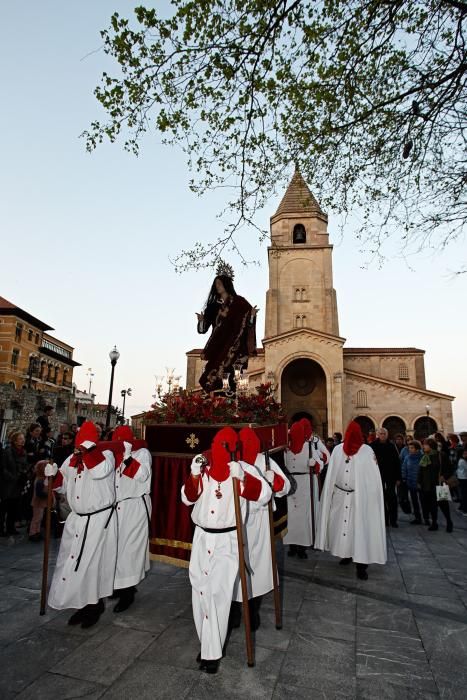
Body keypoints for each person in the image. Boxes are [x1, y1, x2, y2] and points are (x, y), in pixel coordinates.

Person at [181, 427, 269, 674]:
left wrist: (243, 478)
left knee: (217, 594)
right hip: (202, 538)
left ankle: (211, 653)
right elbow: (187, 498)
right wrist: (194, 475)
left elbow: (265, 495)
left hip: (228, 540)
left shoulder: (244, 468)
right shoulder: (203, 466)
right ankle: (207, 643)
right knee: (199, 592)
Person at [47, 421, 117, 628]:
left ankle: (94, 605)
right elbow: (62, 486)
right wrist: (53, 476)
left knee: (92, 565)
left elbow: (99, 471)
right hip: (77, 519)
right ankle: (81, 604)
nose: (77, 448)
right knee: (73, 564)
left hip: (98, 520)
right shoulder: (72, 459)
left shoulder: (106, 456)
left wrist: (88, 451)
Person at [230, 427, 290, 631]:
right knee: (234, 566)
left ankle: (252, 610)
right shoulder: (233, 462)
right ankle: (234, 611)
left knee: (256, 568)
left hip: (259, 522)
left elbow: (285, 488)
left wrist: (274, 479)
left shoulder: (264, 461)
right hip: (234, 521)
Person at [316, 421, 387, 580]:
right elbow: (332, 473)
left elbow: (372, 477)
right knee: (342, 527)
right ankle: (346, 554)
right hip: (341, 496)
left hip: (359, 497)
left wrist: (372, 498)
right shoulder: (337, 450)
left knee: (360, 530)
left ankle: (362, 565)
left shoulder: (367, 451)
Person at [196, 265, 257, 392]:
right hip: (218, 346)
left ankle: (229, 398)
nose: (217, 286)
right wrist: (202, 321)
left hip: (234, 345)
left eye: (219, 283)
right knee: (211, 375)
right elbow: (203, 330)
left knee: (230, 376)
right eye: (215, 284)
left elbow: (248, 323)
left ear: (226, 284)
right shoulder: (213, 307)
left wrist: (251, 316)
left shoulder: (239, 302)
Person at [111, 425, 152, 612]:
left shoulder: (142, 453)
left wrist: (127, 458)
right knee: (115, 549)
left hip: (135, 506)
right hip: (117, 507)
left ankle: (127, 592)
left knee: (129, 551)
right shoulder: (113, 456)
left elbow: (142, 476)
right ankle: (117, 585)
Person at [283, 419, 328, 558]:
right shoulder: (286, 448)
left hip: (305, 483)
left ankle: (302, 546)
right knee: (291, 515)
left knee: (303, 516)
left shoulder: (310, 447)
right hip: (291, 483)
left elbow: (323, 462)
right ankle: (292, 545)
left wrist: (315, 465)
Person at [418, 437, 453, 532]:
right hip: (427, 485)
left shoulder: (441, 455)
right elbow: (421, 470)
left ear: (431, 446)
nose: (423, 446)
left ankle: (449, 522)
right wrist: (419, 482)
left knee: (444, 505)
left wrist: (444, 476)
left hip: (439, 485)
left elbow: (450, 469)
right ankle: (434, 523)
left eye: (425, 444)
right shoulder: (424, 456)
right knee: (432, 506)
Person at [370, 428, 401, 527]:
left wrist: (398, 478)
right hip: (378, 476)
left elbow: (397, 462)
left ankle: (393, 520)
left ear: (387, 435)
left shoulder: (392, 446)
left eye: (384, 434)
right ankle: (384, 520)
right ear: (377, 435)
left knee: (392, 498)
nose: (383, 435)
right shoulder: (372, 446)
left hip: (391, 476)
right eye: (381, 433)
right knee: (381, 498)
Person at [0, 431, 29, 536]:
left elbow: (24, 464)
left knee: (14, 508)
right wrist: (12, 477)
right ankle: (1, 529)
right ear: (15, 440)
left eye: (23, 438)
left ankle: (10, 528)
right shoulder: (7, 451)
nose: (23, 440)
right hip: (8, 485)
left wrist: (25, 472)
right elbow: (3, 468)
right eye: (20, 439)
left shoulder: (23, 452)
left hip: (18, 485)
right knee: (4, 508)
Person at [401, 440, 423, 524]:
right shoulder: (407, 457)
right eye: (409, 448)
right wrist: (404, 478)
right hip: (411, 482)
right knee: (414, 501)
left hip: (420, 483)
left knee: (423, 501)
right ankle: (418, 518)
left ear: (417, 449)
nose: (410, 449)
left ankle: (426, 517)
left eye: (412, 448)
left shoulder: (422, 457)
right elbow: (404, 468)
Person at [29, 460, 50, 542]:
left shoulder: (42, 478)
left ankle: (37, 532)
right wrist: (47, 495)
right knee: (37, 518)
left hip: (41, 502)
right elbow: (39, 493)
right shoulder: (40, 480)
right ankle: (33, 533)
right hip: (38, 502)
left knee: (39, 518)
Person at [457, 447, 467, 514]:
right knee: (464, 494)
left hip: (461, 478)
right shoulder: (462, 461)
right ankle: (465, 509)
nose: (466, 455)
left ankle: (461, 507)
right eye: (465, 453)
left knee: (463, 493)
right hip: (464, 478)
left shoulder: (461, 460)